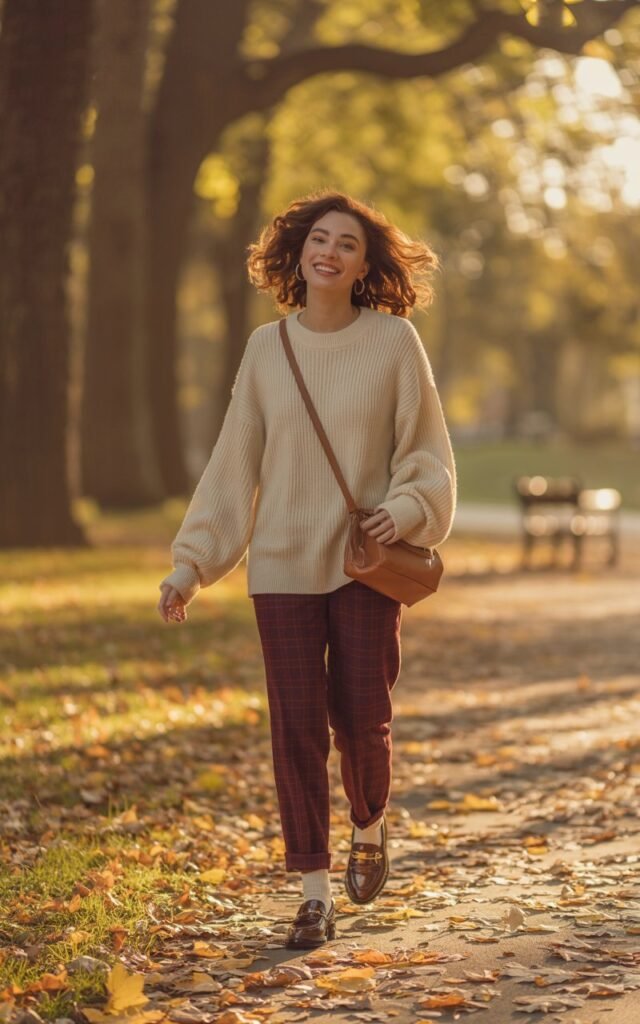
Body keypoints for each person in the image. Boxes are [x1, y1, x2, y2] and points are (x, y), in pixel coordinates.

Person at [157, 189, 457, 950]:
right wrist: (191, 565)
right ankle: (313, 893)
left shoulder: (393, 344)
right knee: (294, 729)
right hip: (283, 566)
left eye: (347, 243)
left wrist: (410, 508)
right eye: (318, 238)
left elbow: (424, 450)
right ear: (297, 252)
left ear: (365, 264)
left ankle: (370, 824)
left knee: (362, 716)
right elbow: (235, 463)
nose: (329, 251)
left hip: (363, 564)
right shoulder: (266, 348)